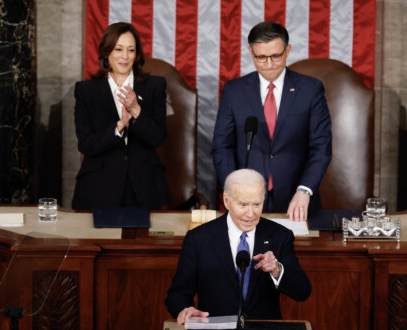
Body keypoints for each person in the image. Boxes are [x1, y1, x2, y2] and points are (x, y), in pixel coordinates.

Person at [211, 21, 332, 221]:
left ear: (287, 50)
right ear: (251, 53)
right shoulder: (234, 91)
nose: (269, 64)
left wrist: (305, 190)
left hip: (297, 198)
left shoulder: (310, 90)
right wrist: (235, 189)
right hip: (246, 200)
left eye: (276, 56)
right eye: (261, 57)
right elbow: (221, 147)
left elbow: (321, 146)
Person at [165, 169, 311, 325]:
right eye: (243, 205)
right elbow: (177, 295)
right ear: (227, 201)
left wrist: (277, 270)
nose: (251, 214)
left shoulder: (279, 236)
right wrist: (185, 309)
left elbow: (302, 291)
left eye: (257, 204)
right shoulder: (198, 239)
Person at [72, 22, 169, 210]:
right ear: (107, 52)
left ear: (137, 54)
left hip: (145, 186)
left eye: (131, 50)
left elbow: (158, 137)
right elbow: (86, 144)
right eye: (118, 49)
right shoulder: (86, 91)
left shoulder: (155, 86)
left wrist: (136, 110)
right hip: (98, 187)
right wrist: (118, 128)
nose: (125, 56)